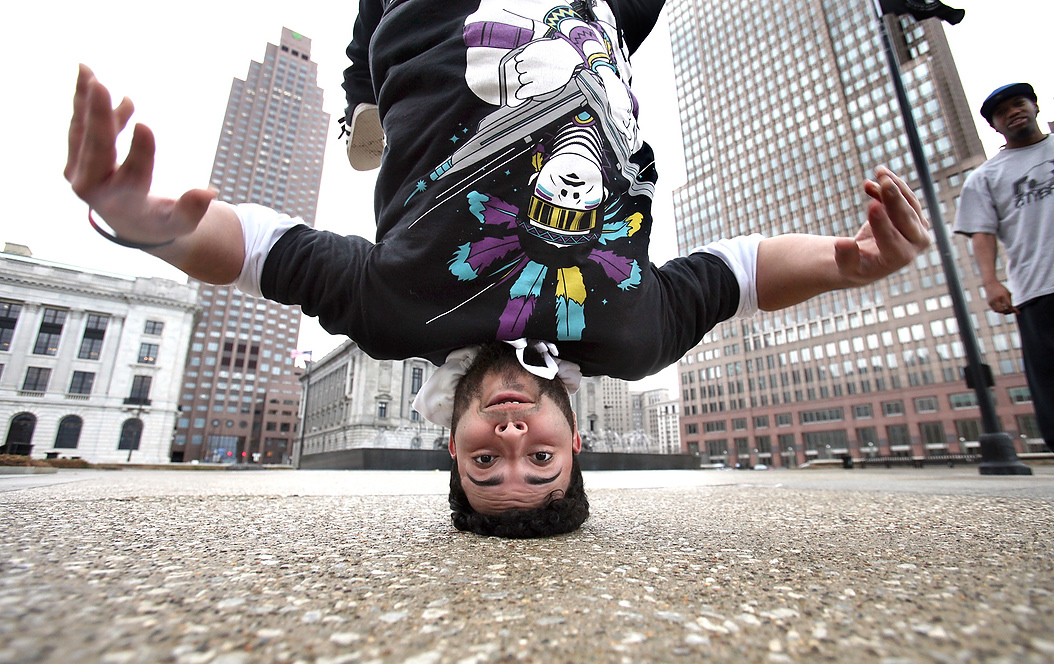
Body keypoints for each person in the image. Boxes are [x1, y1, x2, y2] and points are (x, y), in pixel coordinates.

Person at [65, 0, 930, 536]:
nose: (511, 448)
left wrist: (142, 224)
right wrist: (848, 263)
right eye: (540, 466)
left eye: (484, 469)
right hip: (597, 22)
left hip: (438, 19)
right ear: (574, 443)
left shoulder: (399, 316)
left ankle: (360, 91)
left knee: (371, 43)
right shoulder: (633, 335)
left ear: (451, 445)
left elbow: (265, 254)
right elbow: (735, 275)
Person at [953, 82, 1054, 450]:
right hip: (1038, 288)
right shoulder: (985, 177)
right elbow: (982, 234)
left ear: (1035, 106)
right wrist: (991, 282)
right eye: (1002, 112)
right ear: (995, 126)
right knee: (1049, 376)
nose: (1013, 112)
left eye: (1019, 103)